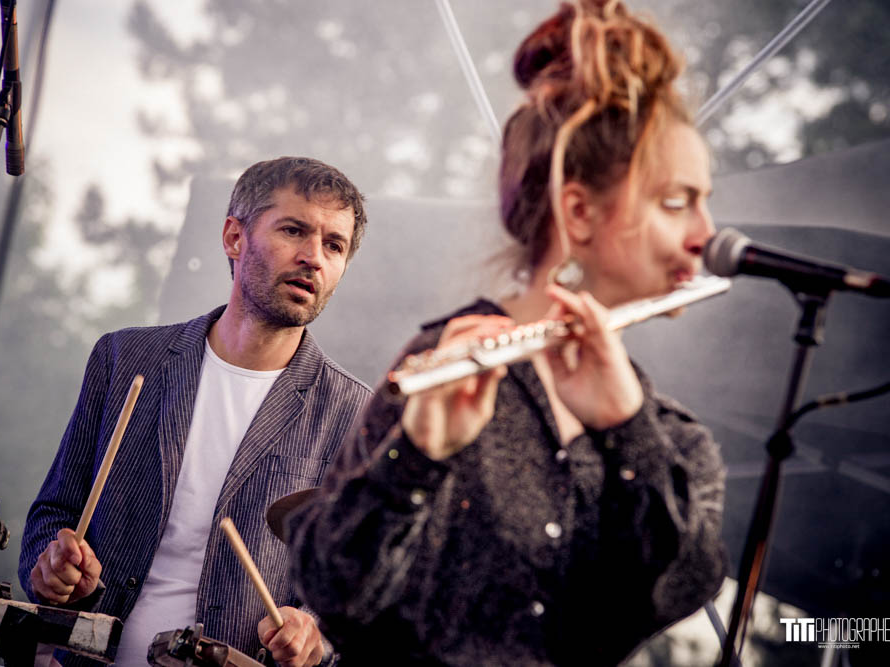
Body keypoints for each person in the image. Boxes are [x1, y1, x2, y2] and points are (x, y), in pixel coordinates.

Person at [287, 2, 727, 665]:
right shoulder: (445, 362)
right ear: (578, 212)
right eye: (677, 201)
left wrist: (626, 431)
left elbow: (671, 591)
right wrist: (415, 458)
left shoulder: (676, 441)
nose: (705, 233)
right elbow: (334, 598)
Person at [19, 157, 372, 667]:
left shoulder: (355, 415)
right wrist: (51, 568)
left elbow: (352, 594)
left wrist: (315, 634)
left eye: (334, 245)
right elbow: (53, 515)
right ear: (234, 237)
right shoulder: (124, 359)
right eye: (294, 230)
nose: (314, 257)